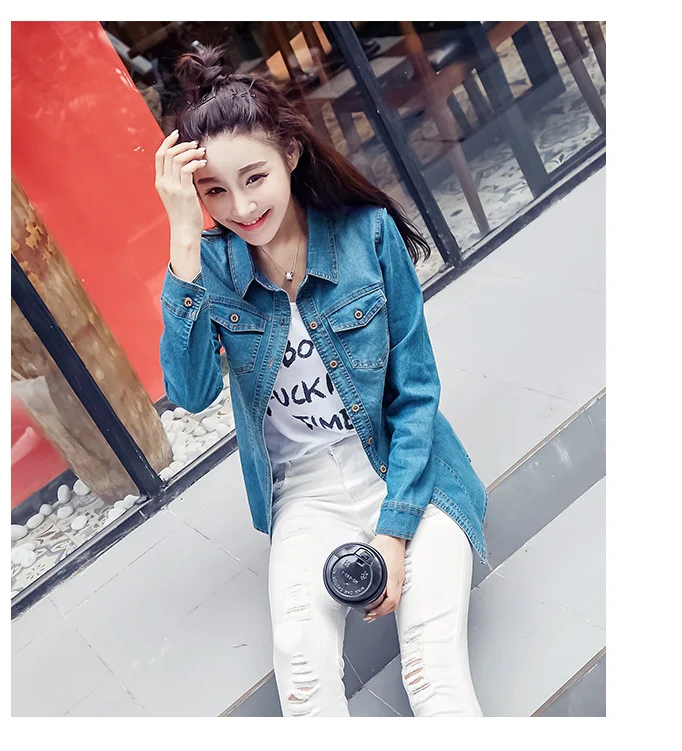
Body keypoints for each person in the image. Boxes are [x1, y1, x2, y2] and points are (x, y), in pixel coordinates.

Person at [156, 43, 490, 717]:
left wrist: (395, 531)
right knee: (302, 678)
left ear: (290, 153)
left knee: (431, 672)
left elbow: (417, 395)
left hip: (407, 471)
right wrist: (184, 240)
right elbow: (190, 393)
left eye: (253, 177)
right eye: (214, 191)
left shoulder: (368, 235)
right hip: (303, 492)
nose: (240, 206)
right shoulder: (211, 267)